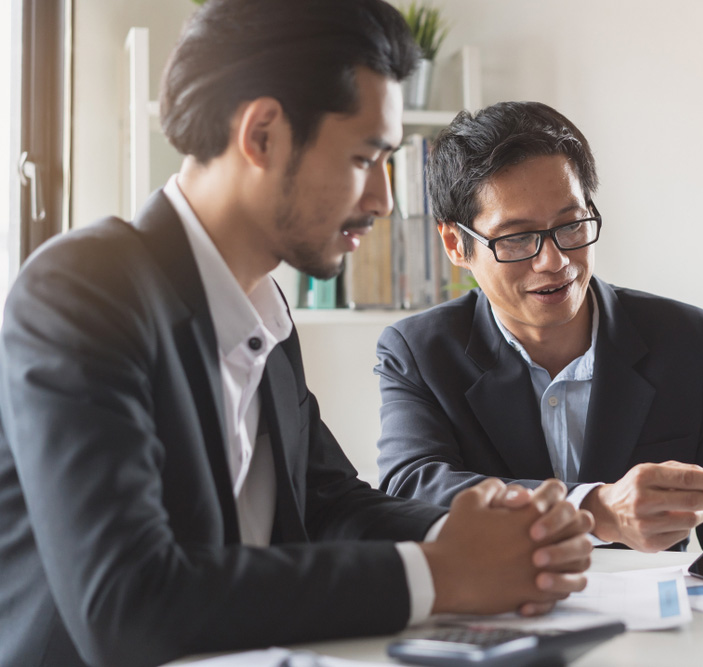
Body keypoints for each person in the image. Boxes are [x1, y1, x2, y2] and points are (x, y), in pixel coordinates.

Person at [0, 4, 594, 667]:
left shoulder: (264, 314)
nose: (382, 201)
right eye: (366, 158)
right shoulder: (84, 291)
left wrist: (486, 533)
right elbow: (127, 602)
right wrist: (440, 573)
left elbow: (326, 499)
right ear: (262, 134)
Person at [375, 101, 703, 553]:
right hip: (504, 614)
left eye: (571, 225)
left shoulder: (691, 344)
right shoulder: (419, 352)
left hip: (652, 619)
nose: (554, 261)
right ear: (457, 244)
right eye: (517, 238)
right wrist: (594, 509)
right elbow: (412, 489)